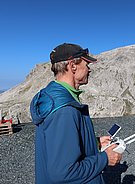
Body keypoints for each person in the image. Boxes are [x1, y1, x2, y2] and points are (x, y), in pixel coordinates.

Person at [30, 43, 122, 183]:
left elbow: (62, 147)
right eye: (87, 65)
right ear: (73, 66)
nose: (89, 70)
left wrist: (95, 143)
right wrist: (105, 158)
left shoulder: (54, 97)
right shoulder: (65, 111)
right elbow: (64, 173)